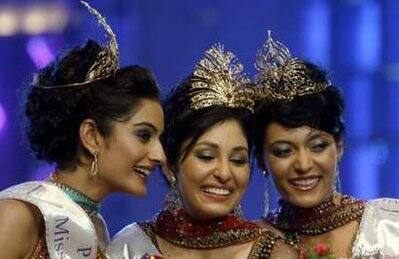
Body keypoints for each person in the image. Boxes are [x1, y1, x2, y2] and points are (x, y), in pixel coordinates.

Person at [0, 2, 165, 258]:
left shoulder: (98, 235)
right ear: (91, 136)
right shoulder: (20, 216)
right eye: (144, 135)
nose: (159, 155)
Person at [107, 44, 298, 259]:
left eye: (238, 160)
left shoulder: (273, 252)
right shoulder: (132, 245)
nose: (224, 173)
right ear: (170, 165)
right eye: (206, 156)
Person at [253, 31, 399, 258]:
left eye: (318, 146)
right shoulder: (251, 245)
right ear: (262, 158)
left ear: (339, 146)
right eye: (283, 151)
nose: (303, 164)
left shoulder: (388, 227)